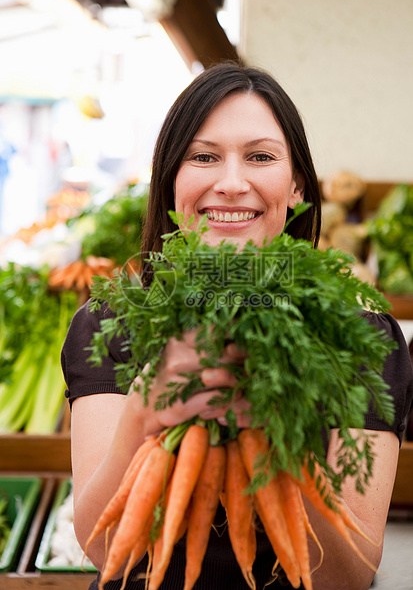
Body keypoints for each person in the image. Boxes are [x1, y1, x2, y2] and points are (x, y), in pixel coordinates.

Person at [62, 62, 413, 590]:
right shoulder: (112, 324)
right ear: (170, 182)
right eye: (203, 157)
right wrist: (144, 413)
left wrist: (278, 440)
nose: (231, 183)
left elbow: (349, 576)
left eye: (260, 157)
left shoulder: (358, 338)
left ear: (297, 186)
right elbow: (102, 548)